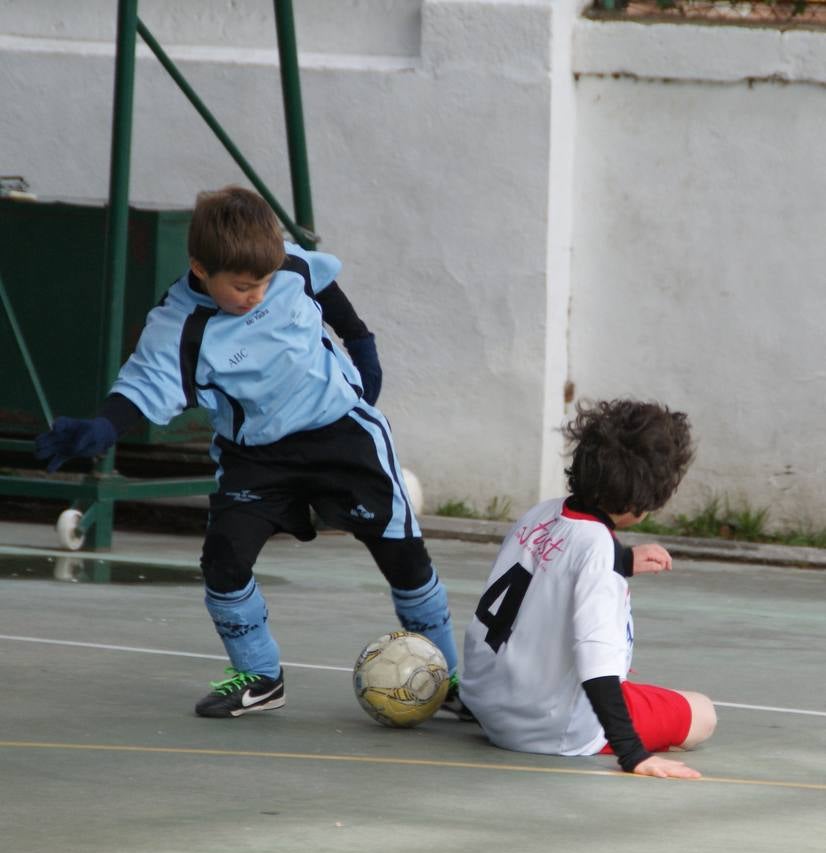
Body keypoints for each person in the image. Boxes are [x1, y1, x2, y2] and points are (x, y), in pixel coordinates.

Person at [35, 185, 462, 719]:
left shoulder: (286, 266)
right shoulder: (180, 326)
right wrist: (100, 426)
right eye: (240, 286)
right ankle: (260, 675)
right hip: (257, 456)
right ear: (199, 268)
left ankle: (448, 679)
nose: (255, 294)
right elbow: (142, 388)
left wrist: (361, 341)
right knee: (224, 561)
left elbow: (327, 288)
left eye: (263, 282)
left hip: (342, 435)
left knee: (403, 557)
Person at [459, 399, 717, 779]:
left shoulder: (541, 513)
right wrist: (633, 754)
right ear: (644, 499)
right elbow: (596, 663)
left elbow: (550, 576)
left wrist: (623, 561)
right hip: (550, 727)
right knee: (703, 713)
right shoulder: (597, 548)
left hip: (489, 704)